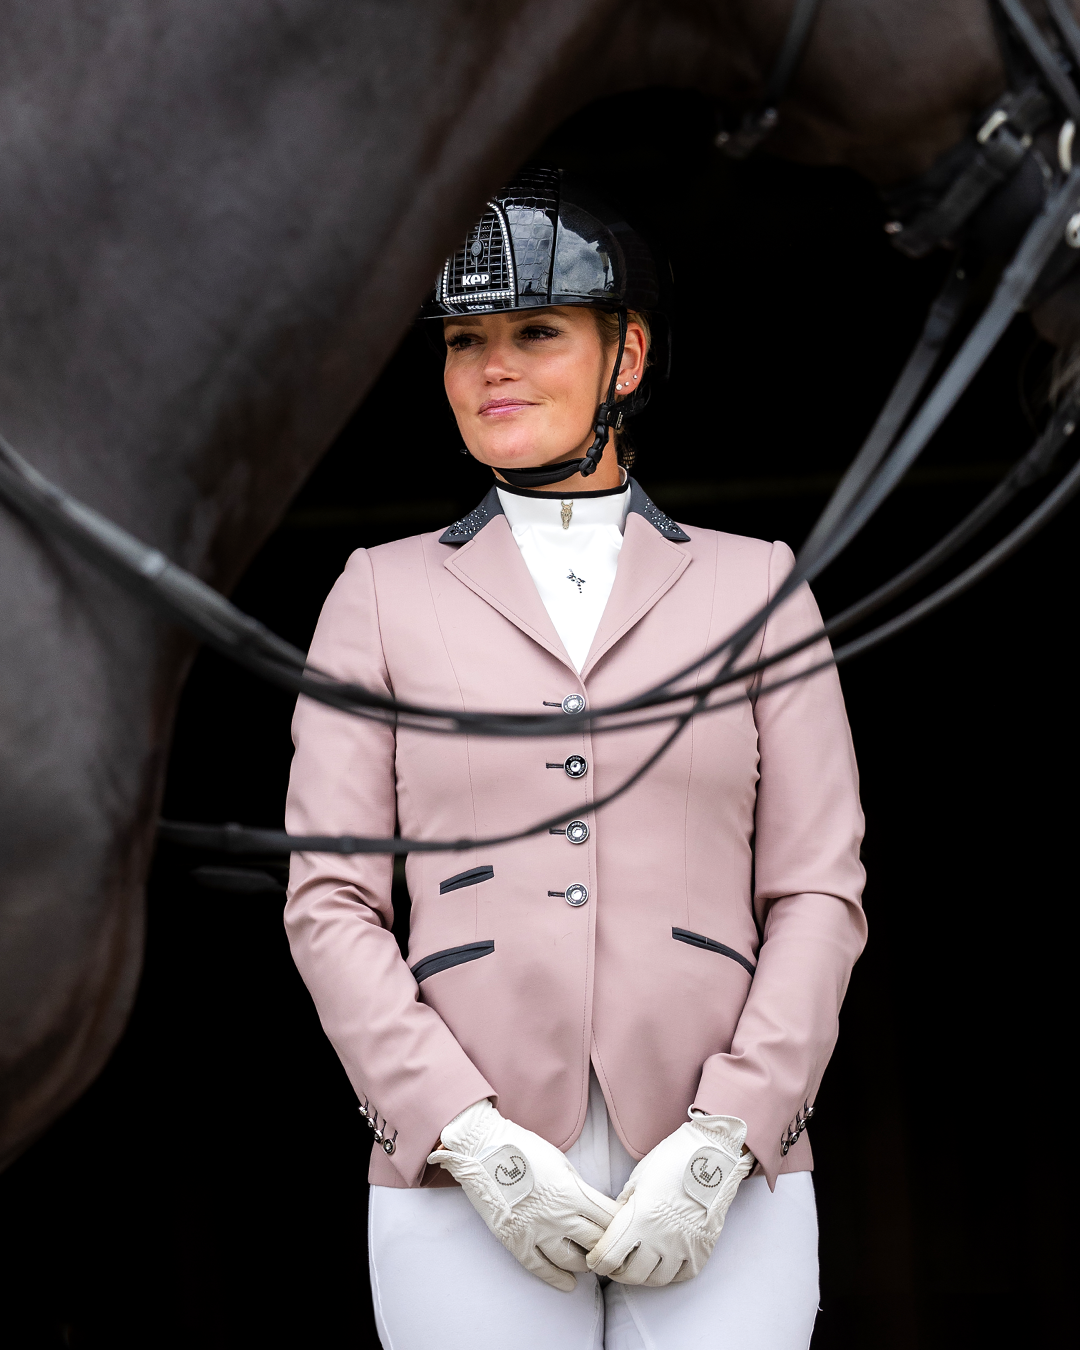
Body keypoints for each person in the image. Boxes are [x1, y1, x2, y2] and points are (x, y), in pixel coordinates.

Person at [284, 165, 866, 1349]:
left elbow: (817, 888)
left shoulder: (758, 584)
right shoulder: (377, 596)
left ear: (628, 356)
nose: (493, 366)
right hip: (467, 1165)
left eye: (536, 331)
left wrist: (729, 1136)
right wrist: (460, 1132)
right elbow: (331, 902)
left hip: (721, 1161)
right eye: (465, 340)